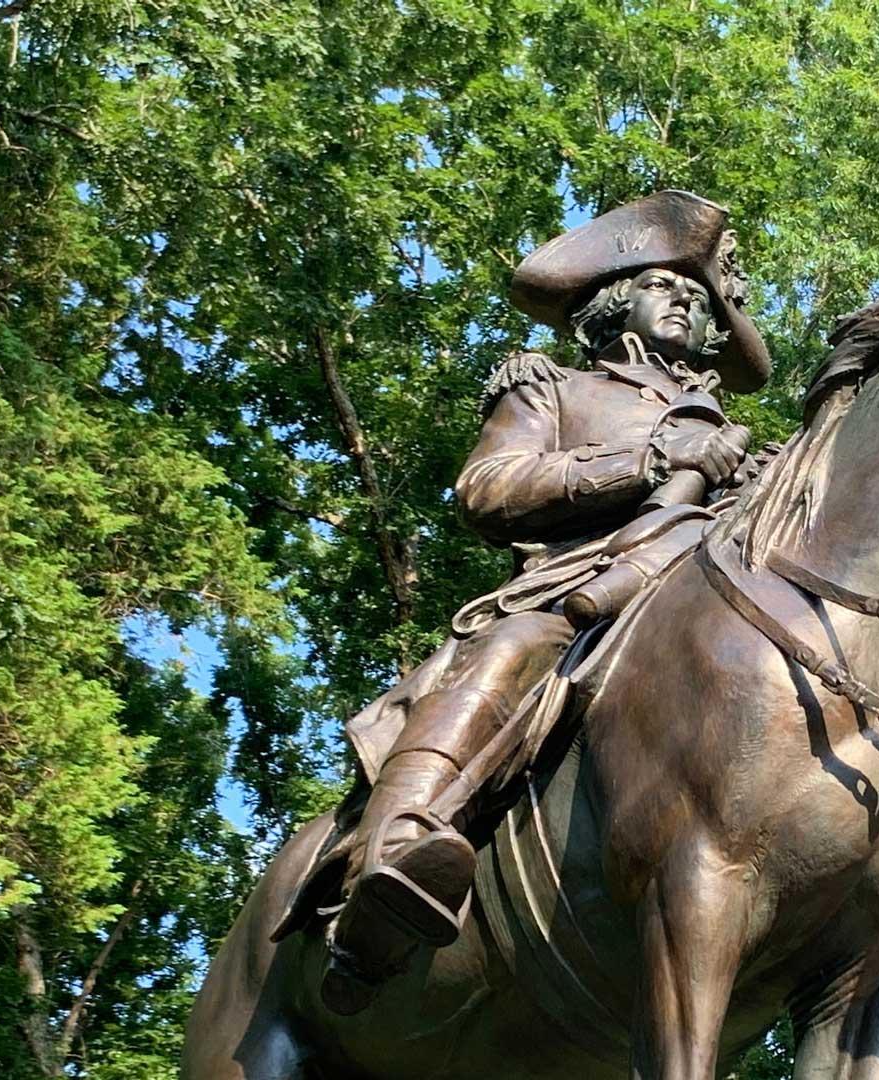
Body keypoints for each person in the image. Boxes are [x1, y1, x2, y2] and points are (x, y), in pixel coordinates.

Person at [303, 192, 769, 987]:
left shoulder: (738, 440)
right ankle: (390, 853)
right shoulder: (553, 388)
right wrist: (650, 462)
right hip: (579, 586)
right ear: (614, 302)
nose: (685, 302)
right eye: (663, 286)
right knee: (514, 648)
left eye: (699, 299)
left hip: (705, 599)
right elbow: (488, 489)